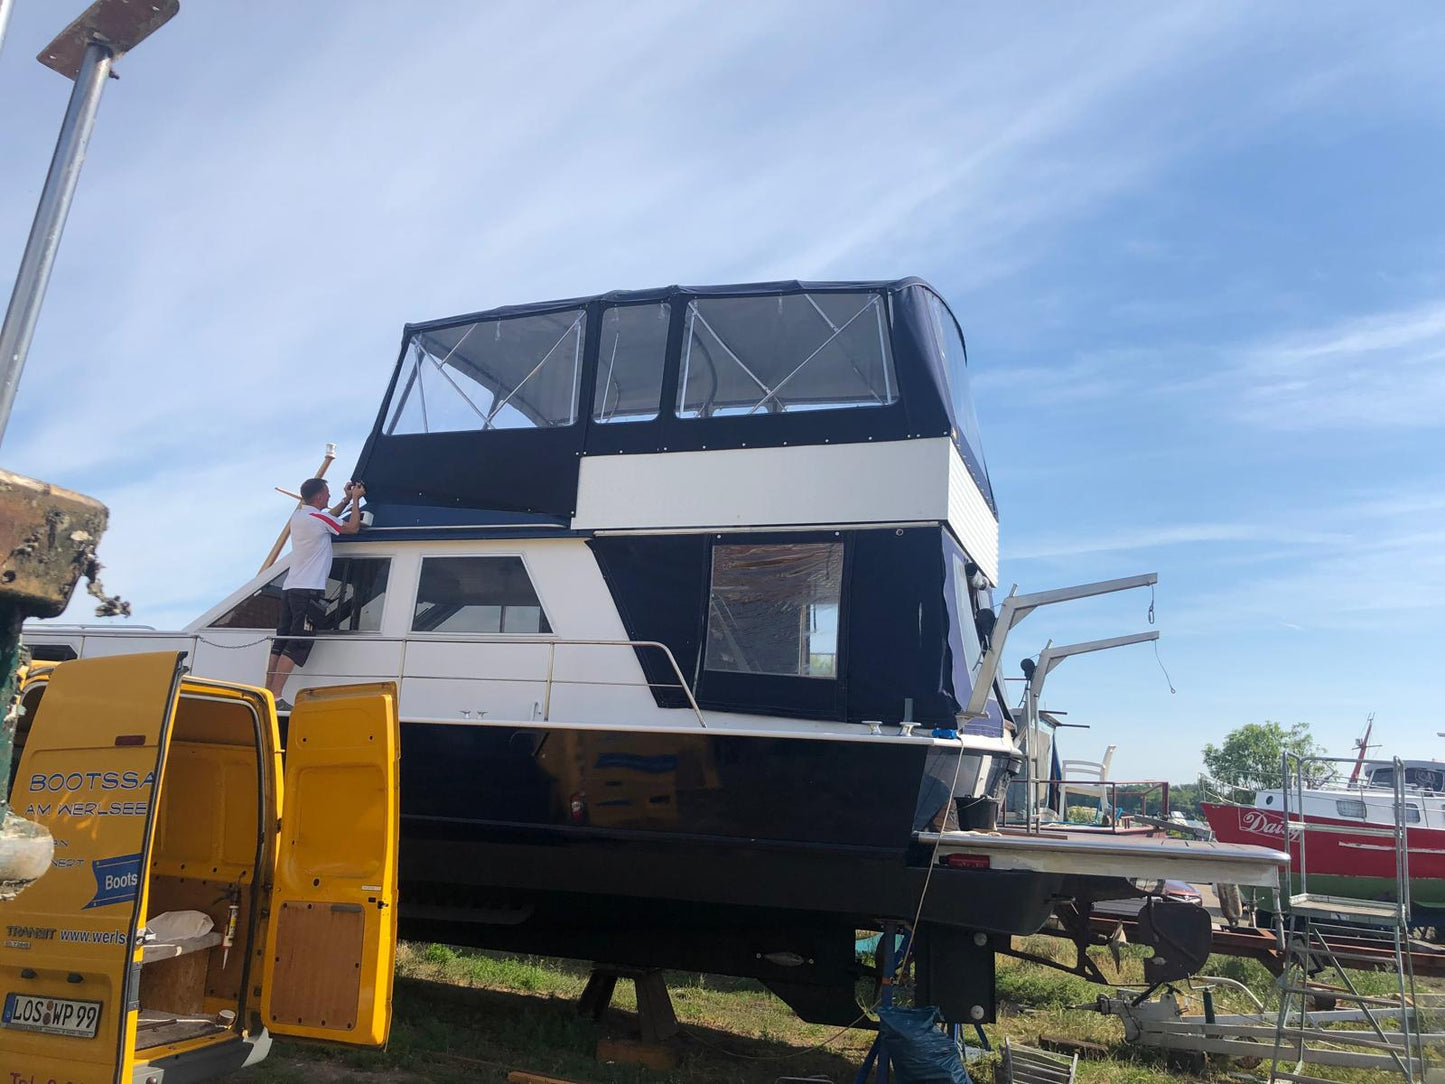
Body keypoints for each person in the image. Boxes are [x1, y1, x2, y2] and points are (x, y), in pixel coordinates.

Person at [264, 478, 365, 708]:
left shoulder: (299, 517)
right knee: (299, 640)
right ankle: (277, 697)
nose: (329, 498)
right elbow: (352, 527)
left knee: (282, 641)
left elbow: (329, 518)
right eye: (327, 494)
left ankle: (267, 692)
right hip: (308, 590)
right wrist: (357, 500)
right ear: (319, 497)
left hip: (291, 588)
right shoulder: (319, 518)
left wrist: (346, 499)